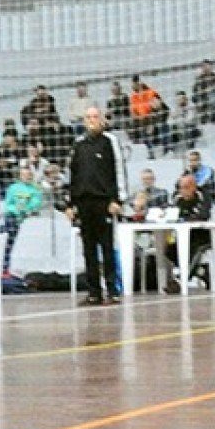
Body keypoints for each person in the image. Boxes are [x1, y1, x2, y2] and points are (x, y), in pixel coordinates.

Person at [65, 105, 124, 305]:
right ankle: (94, 292)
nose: (92, 120)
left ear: (102, 119)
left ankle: (113, 290)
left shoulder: (110, 142)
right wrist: (70, 204)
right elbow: (73, 175)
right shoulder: (78, 145)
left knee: (107, 247)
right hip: (83, 203)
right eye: (88, 117)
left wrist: (117, 200)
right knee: (88, 249)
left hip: (104, 203)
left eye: (95, 116)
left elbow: (118, 170)